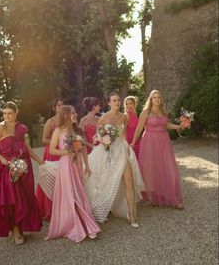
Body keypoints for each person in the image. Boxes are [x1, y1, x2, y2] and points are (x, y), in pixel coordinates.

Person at [39, 105, 100, 243]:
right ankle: (80, 226)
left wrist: (87, 165)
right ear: (66, 115)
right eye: (73, 113)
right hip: (65, 165)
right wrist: (67, 152)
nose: (76, 114)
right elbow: (53, 150)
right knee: (72, 194)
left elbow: (83, 149)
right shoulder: (59, 131)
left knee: (79, 192)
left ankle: (83, 223)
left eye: (75, 112)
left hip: (76, 165)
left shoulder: (76, 130)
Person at [0, 101, 42, 244]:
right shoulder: (0, 127)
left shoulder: (19, 128)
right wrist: (2, 159)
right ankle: (16, 233)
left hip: (22, 166)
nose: (7, 116)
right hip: (7, 167)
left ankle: (20, 228)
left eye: (10, 113)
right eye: (4, 113)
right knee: (11, 198)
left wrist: (38, 160)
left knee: (23, 196)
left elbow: (25, 146)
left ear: (16, 113)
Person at [84, 92, 143, 227]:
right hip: (108, 152)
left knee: (130, 182)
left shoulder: (124, 117)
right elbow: (98, 137)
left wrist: (127, 144)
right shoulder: (103, 118)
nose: (117, 102)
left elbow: (123, 135)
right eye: (114, 100)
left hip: (121, 151)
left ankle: (132, 215)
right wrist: (105, 141)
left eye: (118, 100)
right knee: (105, 182)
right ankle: (101, 208)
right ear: (109, 103)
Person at [131, 90, 183, 209]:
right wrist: (133, 141)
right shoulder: (145, 112)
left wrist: (178, 127)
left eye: (158, 97)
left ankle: (173, 197)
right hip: (149, 141)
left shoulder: (163, 111)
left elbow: (166, 125)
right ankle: (154, 197)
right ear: (150, 99)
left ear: (161, 99)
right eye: (154, 97)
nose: (157, 99)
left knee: (168, 166)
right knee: (153, 167)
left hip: (164, 141)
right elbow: (139, 127)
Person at [36, 97, 64, 220]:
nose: (61, 107)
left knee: (63, 179)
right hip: (52, 153)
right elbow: (44, 139)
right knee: (52, 179)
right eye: (59, 105)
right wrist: (56, 142)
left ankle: (62, 208)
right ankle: (49, 210)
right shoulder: (50, 121)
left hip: (64, 152)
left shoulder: (66, 120)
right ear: (54, 108)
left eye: (62, 104)